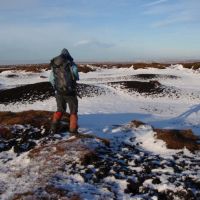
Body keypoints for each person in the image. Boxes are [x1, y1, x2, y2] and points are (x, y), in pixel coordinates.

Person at [49, 48, 79, 134]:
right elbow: (76, 76)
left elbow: (51, 79)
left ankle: (53, 129)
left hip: (59, 92)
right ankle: (73, 132)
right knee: (73, 112)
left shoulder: (55, 66)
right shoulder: (71, 64)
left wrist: (57, 87)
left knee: (59, 110)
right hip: (71, 92)